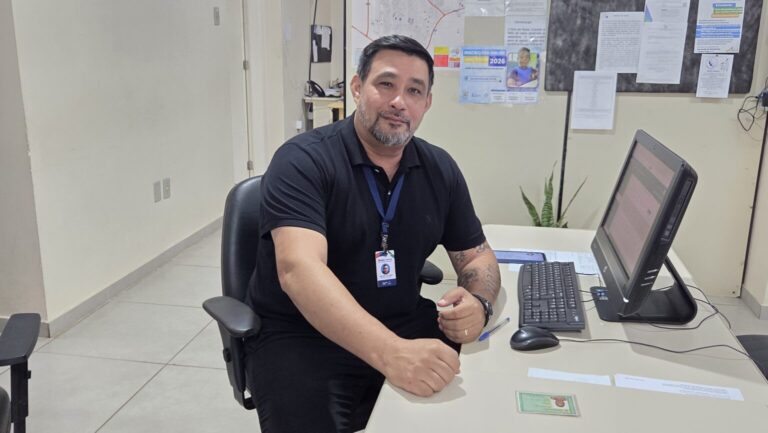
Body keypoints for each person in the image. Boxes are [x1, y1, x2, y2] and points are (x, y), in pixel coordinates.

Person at [245, 34, 501, 433]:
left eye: (414, 90)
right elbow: (299, 270)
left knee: (489, 393)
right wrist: (392, 353)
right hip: (302, 334)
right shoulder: (303, 160)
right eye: (386, 84)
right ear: (357, 87)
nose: (399, 101)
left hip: (401, 320)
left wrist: (479, 302)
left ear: (427, 103)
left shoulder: (439, 169)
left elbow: (477, 256)